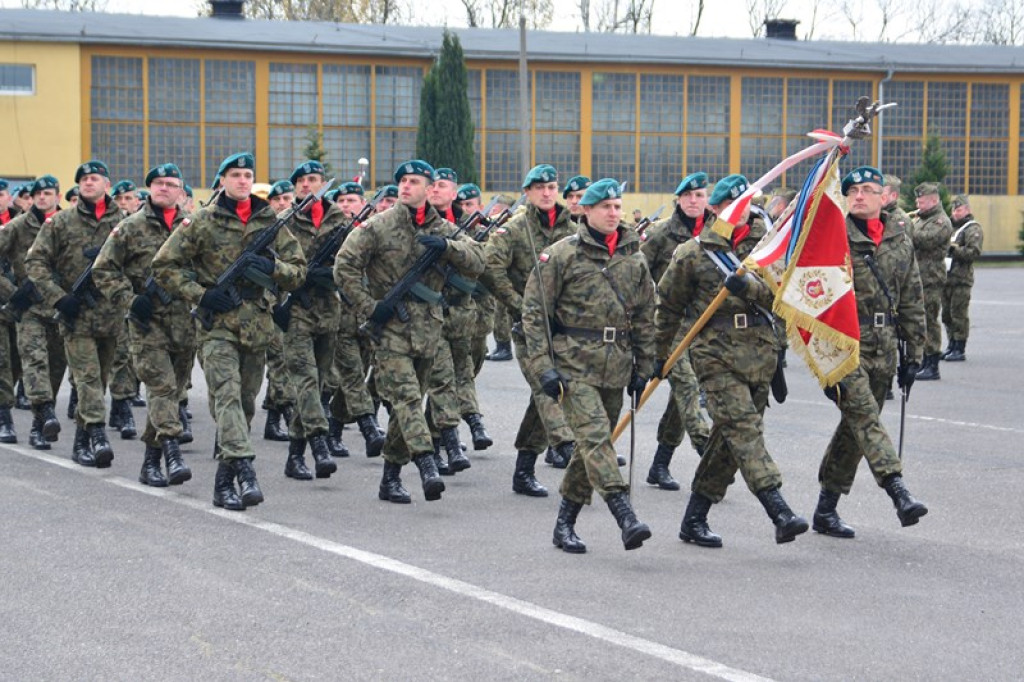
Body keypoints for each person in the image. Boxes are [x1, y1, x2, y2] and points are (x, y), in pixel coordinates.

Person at [656, 173, 808, 547]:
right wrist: (654, 360)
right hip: (714, 356)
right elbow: (667, 309)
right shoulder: (693, 253)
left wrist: (751, 288)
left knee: (727, 441)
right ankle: (779, 509)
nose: (741, 213)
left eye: (746, 206)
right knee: (744, 431)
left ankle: (694, 519)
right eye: (731, 206)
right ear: (715, 209)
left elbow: (786, 301)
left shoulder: (768, 249)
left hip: (759, 355)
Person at [152, 152, 307, 510]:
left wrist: (271, 266)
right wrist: (201, 294)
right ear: (221, 180)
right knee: (226, 396)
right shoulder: (202, 222)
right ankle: (246, 470)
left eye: (247, 174)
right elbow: (164, 266)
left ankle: (224, 481)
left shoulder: (270, 221)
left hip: (257, 327)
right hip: (216, 326)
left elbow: (298, 272)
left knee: (245, 405)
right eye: (235, 174)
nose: (242, 180)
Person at [335, 159, 485, 504]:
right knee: (404, 399)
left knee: (411, 405)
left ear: (430, 189)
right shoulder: (379, 225)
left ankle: (390, 477)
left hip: (428, 331)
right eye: (402, 180)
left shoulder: (442, 229)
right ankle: (426, 462)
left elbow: (479, 261)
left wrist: (449, 248)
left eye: (414, 181)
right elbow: (344, 265)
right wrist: (370, 306)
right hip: (389, 329)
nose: (405, 186)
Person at [524, 178, 655, 553]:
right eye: (605, 207)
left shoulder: (635, 257)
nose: (613, 213)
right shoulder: (561, 255)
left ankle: (564, 523)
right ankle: (624, 514)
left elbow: (646, 314)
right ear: (585, 211)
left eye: (617, 206)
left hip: (616, 366)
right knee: (596, 438)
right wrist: (541, 366)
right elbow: (534, 313)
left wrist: (644, 364)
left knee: (589, 449)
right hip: (572, 365)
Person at [813, 166, 929, 537]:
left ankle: (825, 510)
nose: (858, 196)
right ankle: (898, 492)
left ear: (884, 196)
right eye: (852, 191)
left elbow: (912, 297)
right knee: (865, 418)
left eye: (866, 189)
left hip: (884, 344)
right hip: (844, 345)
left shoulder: (899, 237)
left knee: (855, 427)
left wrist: (914, 354)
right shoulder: (834, 237)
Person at [92, 163, 195, 487]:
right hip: (146, 322)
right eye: (158, 183)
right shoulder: (130, 227)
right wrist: (129, 299)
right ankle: (171, 449)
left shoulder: (194, 227)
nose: (164, 188)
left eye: (171, 184)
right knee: (161, 388)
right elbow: (103, 270)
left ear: (181, 191)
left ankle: (149, 463)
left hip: (185, 322)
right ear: (149, 188)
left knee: (173, 393)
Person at [481, 164, 577, 493]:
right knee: (546, 387)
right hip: (528, 329)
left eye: (551, 187)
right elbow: (490, 267)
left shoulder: (574, 227)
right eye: (539, 188)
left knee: (543, 398)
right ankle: (569, 449)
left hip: (565, 329)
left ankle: (523, 471)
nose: (547, 193)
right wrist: (519, 304)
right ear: (528, 193)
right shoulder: (515, 229)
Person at [26, 161, 123, 467]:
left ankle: (82, 441)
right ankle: (96, 434)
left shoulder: (124, 222)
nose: (88, 183)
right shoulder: (60, 222)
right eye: (83, 179)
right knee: (87, 379)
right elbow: (35, 262)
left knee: (100, 380)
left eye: (94, 178)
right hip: (75, 315)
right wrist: (58, 298)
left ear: (107, 185)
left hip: (111, 316)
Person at [639, 171, 712, 490]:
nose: (694, 201)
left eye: (700, 196)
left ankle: (660, 465)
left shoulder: (717, 232)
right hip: (668, 326)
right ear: (679, 200)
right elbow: (637, 272)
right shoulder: (662, 233)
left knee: (679, 403)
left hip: (703, 327)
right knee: (688, 386)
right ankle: (706, 449)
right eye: (688, 196)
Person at [274, 160, 346, 480]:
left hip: (328, 311)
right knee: (304, 379)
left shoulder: (340, 220)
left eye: (312, 179)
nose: (306, 185)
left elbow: (350, 266)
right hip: (295, 310)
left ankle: (294, 455)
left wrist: (327, 275)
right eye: (300, 180)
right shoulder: (282, 222)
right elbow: (268, 264)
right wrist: (291, 282)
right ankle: (319, 442)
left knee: (318, 384)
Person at [0, 175, 68, 450]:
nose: (42, 197)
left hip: (61, 307)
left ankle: (40, 425)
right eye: (37, 193)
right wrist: (11, 290)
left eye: (48, 192)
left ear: (57, 196)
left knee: (56, 365)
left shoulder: (69, 224)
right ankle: (17, 415)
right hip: (27, 306)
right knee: (27, 362)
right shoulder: (18, 226)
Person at [326, 181, 387, 459]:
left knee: (357, 377)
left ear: (364, 204)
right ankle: (369, 428)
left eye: (352, 200)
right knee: (351, 375)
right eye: (342, 201)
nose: (346, 205)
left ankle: (334, 428)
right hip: (339, 318)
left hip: (370, 318)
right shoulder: (329, 234)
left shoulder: (374, 234)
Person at [910, 182, 952, 381]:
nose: (917, 202)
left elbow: (925, 240)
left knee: (929, 320)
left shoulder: (940, 221)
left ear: (934, 200)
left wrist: (905, 227)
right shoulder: (922, 219)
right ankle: (924, 360)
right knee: (920, 320)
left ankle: (932, 364)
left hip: (931, 278)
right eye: (917, 199)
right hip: (919, 276)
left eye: (922, 200)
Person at [940, 194, 983, 362]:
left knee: (958, 314)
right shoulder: (951, 227)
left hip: (961, 279)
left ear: (967, 210)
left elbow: (974, 252)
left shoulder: (973, 229)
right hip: (947, 278)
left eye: (959, 210)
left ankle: (960, 346)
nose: (955, 213)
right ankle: (951, 344)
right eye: (954, 210)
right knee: (946, 315)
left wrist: (954, 250)